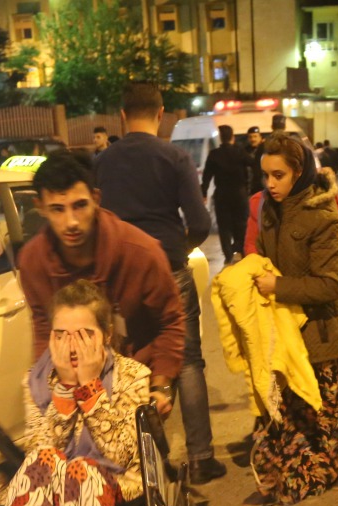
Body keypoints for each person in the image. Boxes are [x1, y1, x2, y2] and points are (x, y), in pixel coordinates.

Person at [0, 280, 149, 506]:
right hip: (53, 490)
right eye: (61, 334)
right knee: (41, 460)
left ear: (106, 334)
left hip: (114, 484)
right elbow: (40, 451)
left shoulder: (134, 376)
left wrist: (90, 387)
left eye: (83, 333)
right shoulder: (36, 380)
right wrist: (64, 388)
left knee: (83, 470)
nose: (71, 345)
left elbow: (121, 454)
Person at [94, 82, 224, 485]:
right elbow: (201, 222)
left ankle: (143, 462)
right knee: (186, 359)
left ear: (121, 115)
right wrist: (177, 248)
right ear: (161, 112)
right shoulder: (175, 157)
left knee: (127, 363)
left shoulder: (100, 161)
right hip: (169, 268)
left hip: (116, 276)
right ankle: (201, 457)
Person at [18, 151, 184, 416]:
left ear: (96, 199)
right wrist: (44, 384)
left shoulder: (141, 252)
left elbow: (170, 322)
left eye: (80, 205)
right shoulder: (33, 261)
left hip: (133, 382)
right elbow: (43, 327)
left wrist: (161, 385)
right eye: (57, 209)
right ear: (40, 207)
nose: (71, 222)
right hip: (72, 386)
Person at [246, 133, 338, 506]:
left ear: (299, 171)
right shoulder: (270, 210)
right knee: (284, 423)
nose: (270, 184)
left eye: (278, 175)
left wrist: (276, 285)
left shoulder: (323, 216)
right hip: (287, 338)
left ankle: (336, 467)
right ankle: (283, 471)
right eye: (265, 175)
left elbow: (330, 285)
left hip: (324, 341)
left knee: (326, 431)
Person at [202, 124, 249, 264]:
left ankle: (228, 254)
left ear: (221, 138)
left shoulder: (214, 154)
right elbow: (253, 164)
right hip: (239, 194)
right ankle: (240, 249)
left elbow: (206, 176)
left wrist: (204, 192)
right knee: (241, 223)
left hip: (222, 195)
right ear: (232, 137)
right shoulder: (240, 152)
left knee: (224, 226)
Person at [245, 127, 264, 194]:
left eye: (255, 136)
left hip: (262, 188)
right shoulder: (245, 151)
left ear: (260, 137)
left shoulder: (265, 149)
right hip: (249, 188)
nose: (253, 139)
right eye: (250, 137)